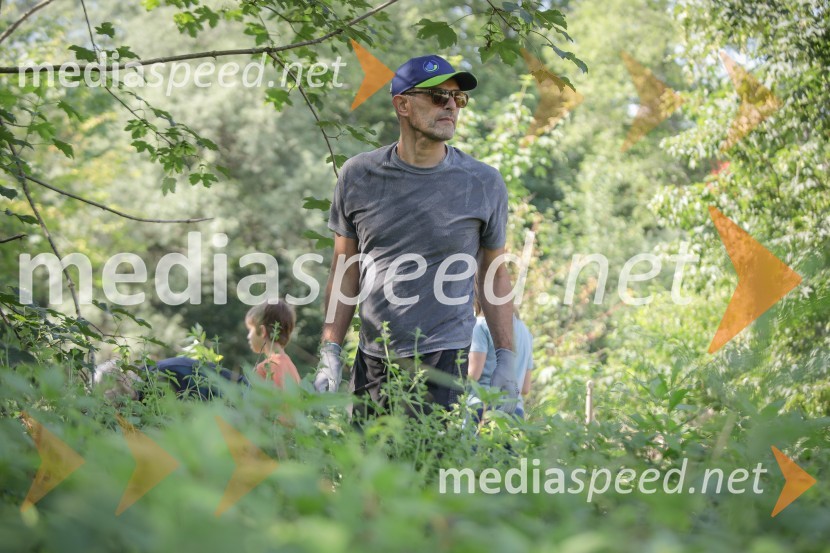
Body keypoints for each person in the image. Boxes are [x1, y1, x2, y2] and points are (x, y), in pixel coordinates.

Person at [314, 54, 519, 416]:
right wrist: (330, 350)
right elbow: (345, 269)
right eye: (439, 96)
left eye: (458, 99)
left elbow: (494, 273)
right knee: (369, 469)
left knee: (431, 470)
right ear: (402, 105)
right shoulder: (358, 176)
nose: (451, 107)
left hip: (445, 357)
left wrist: (506, 357)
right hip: (374, 358)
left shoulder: (483, 182)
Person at [468, 299, 534, 419]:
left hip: (484, 408)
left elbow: (473, 375)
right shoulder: (525, 331)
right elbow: (525, 388)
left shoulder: (481, 325)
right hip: (515, 411)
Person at [245, 300, 301, 389]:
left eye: (250, 329)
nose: (248, 336)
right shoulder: (291, 367)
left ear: (262, 331)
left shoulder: (264, 369)